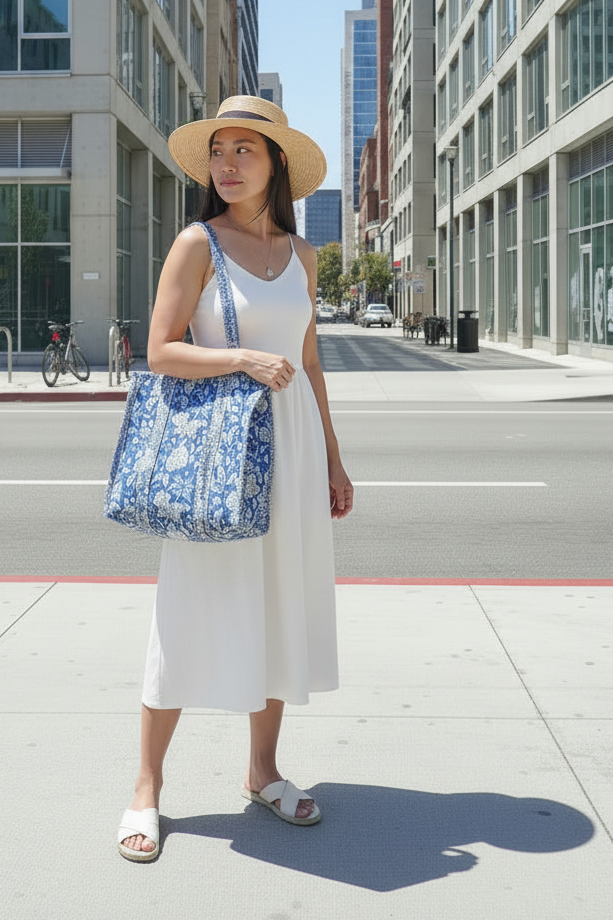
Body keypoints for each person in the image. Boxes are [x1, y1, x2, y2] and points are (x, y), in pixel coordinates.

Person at [117, 96, 354, 861]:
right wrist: (241, 358)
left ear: (276, 163)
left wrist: (333, 456)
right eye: (218, 150)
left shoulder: (302, 254)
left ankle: (262, 771)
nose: (226, 163)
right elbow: (158, 351)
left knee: (281, 610)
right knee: (186, 615)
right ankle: (146, 790)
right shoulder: (196, 243)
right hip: (219, 459)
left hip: (292, 453)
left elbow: (310, 361)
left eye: (243, 150)